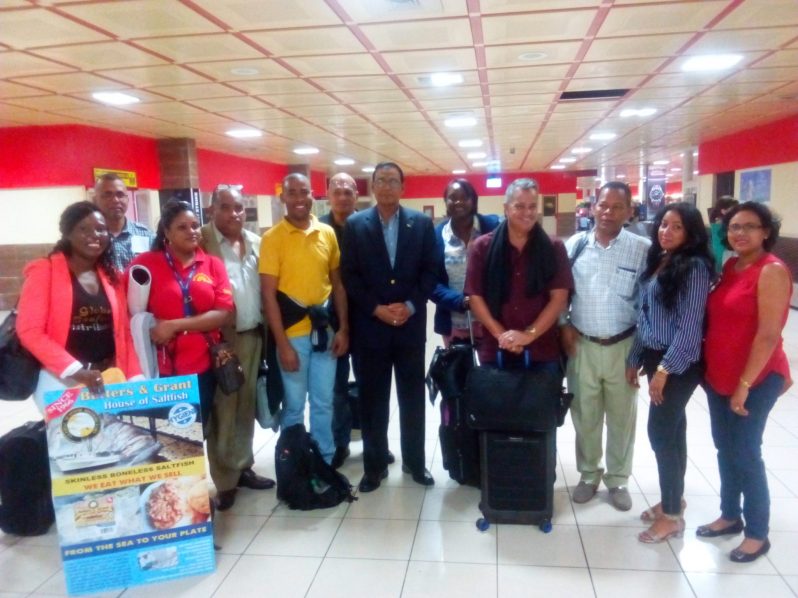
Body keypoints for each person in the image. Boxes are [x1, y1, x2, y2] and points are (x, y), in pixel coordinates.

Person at [698, 202, 792, 563]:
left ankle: (757, 533)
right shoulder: (731, 266)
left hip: (756, 378)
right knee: (725, 448)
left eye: (749, 227)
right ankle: (729, 514)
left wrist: (745, 384)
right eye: (734, 227)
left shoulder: (772, 271)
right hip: (720, 376)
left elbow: (768, 336)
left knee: (746, 453)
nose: (739, 233)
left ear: (766, 231)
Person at [341, 161, 438, 492]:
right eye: (380, 181)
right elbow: (349, 276)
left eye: (392, 181)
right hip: (371, 328)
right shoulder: (355, 225)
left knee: (412, 399)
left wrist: (410, 305)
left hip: (410, 328)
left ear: (403, 187)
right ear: (371, 186)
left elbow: (430, 271)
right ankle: (374, 466)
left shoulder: (421, 224)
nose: (386, 186)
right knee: (373, 401)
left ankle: (415, 462)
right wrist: (376, 309)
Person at [625, 203, 713, 543]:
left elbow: (689, 329)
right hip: (654, 355)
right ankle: (673, 501)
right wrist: (635, 357)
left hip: (680, 361)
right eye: (664, 224)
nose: (667, 231)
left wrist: (664, 370)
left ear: (691, 232)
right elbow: (644, 317)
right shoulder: (659, 260)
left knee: (660, 433)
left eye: (677, 227)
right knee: (674, 432)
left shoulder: (694, 267)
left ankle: (673, 516)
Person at [561, 181, 650, 511]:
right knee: (585, 415)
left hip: (623, 347)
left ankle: (618, 479)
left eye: (616, 206)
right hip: (581, 344)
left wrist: (639, 352)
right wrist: (563, 325)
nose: (608, 212)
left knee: (621, 417)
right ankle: (588, 475)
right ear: (592, 207)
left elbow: (648, 304)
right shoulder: (576, 245)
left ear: (629, 212)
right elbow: (560, 291)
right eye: (602, 205)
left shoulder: (641, 249)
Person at [17, 201, 142, 410]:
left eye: (101, 229)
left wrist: (135, 376)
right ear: (67, 234)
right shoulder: (44, 271)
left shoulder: (112, 277)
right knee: (75, 438)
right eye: (83, 229)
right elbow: (30, 331)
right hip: (58, 377)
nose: (94, 235)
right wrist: (76, 371)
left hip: (107, 375)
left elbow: (124, 331)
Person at [260, 173, 349, 465]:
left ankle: (324, 459)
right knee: (295, 406)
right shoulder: (272, 239)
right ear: (282, 197)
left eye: (303, 192)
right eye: (292, 193)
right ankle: (293, 463)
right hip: (293, 336)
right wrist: (282, 344)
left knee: (324, 403)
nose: (299, 198)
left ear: (313, 195)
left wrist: (343, 329)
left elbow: (337, 286)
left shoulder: (327, 233)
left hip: (325, 332)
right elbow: (268, 295)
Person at [200, 186, 275, 511]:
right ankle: (225, 481)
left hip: (254, 335)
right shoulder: (201, 240)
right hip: (221, 342)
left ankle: (243, 467)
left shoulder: (257, 242)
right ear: (212, 209)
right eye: (226, 207)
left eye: (240, 208)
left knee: (246, 407)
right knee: (224, 410)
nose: (234, 214)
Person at [130, 200, 234, 431]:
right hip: (160, 368)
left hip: (204, 365)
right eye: (182, 227)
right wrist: (153, 326)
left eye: (195, 225)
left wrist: (173, 325)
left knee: (196, 434)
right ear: (167, 232)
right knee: (166, 434)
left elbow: (222, 314)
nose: (192, 231)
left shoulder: (212, 264)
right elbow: (130, 310)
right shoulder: (146, 263)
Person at [464, 178, 572, 371]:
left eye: (532, 206)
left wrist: (528, 335)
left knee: (541, 402)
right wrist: (503, 336)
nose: (527, 213)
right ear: (506, 208)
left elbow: (559, 299)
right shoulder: (482, 247)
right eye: (519, 206)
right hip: (495, 349)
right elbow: (474, 297)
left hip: (542, 350)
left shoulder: (554, 248)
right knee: (497, 401)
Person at [320, 173, 359, 469]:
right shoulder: (318, 229)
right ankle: (339, 443)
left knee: (371, 386)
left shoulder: (369, 226)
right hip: (332, 322)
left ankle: (374, 444)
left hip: (370, 318)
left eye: (349, 191)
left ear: (356, 194)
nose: (343, 197)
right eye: (338, 191)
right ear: (328, 194)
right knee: (335, 388)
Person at [431, 178, 499, 345]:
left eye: (465, 197)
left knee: (489, 370)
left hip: (491, 321)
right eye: (453, 197)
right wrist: (460, 301)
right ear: (445, 202)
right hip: (452, 323)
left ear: (473, 200)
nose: (459, 201)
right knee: (457, 370)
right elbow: (430, 282)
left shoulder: (493, 227)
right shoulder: (436, 235)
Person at [93, 173, 155, 271]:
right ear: (95, 200)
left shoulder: (147, 235)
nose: (115, 200)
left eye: (120, 195)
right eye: (107, 195)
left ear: (127, 199)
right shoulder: (91, 238)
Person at [709, 196, 739, 274]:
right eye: (734, 209)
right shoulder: (720, 225)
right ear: (723, 211)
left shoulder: (716, 223)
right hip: (722, 257)